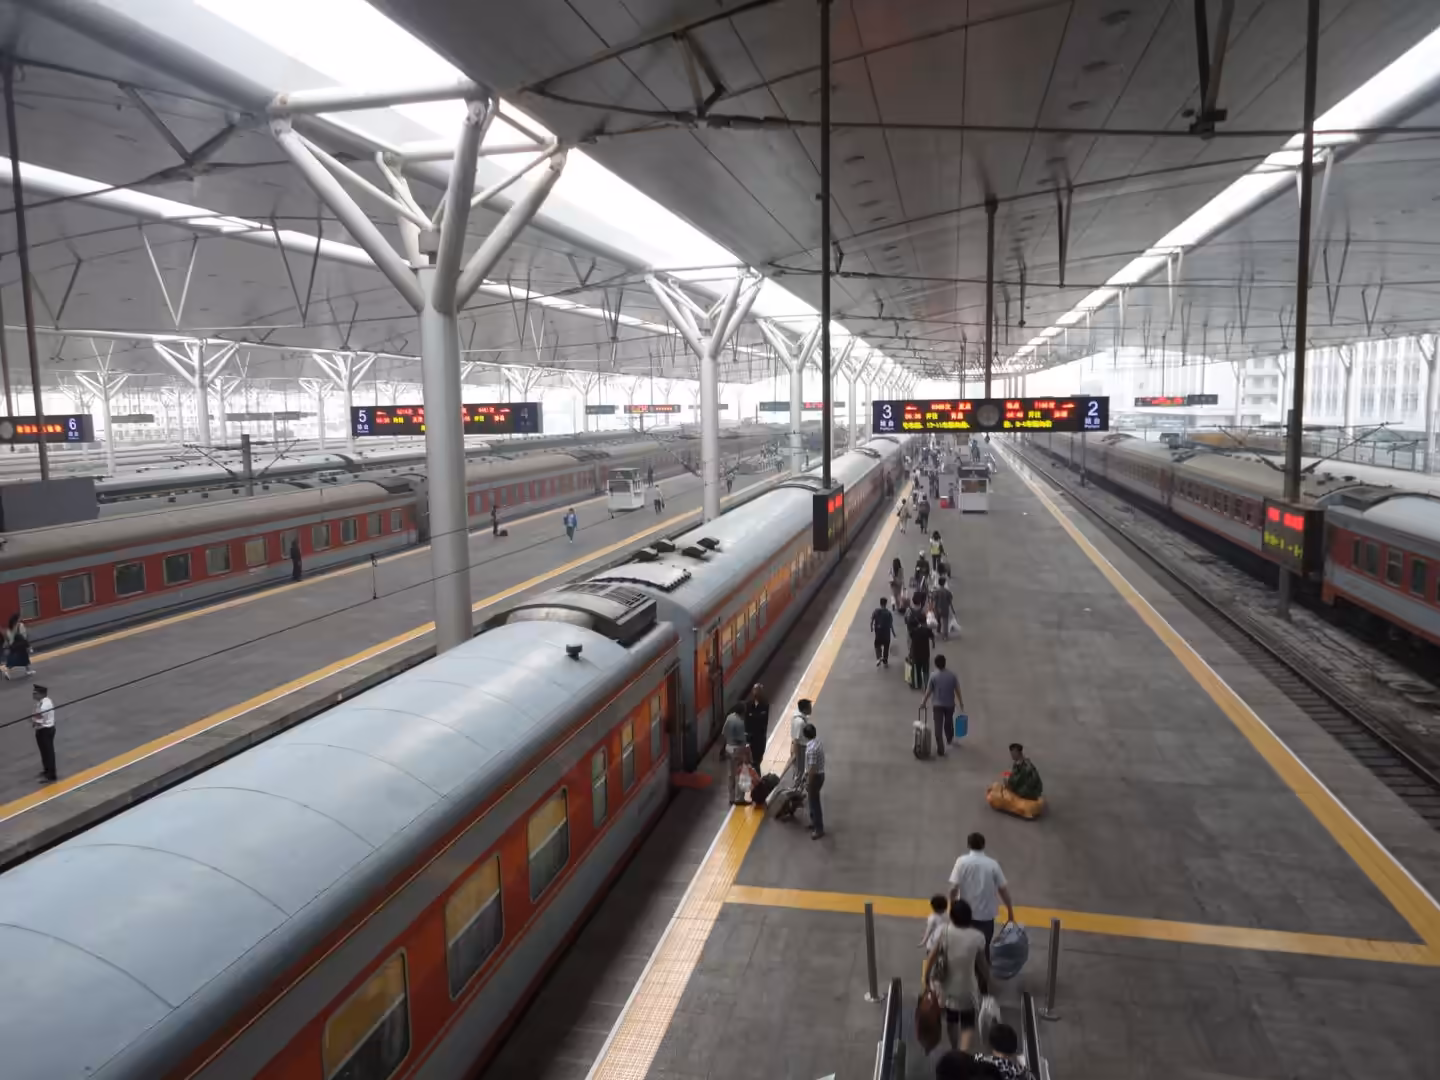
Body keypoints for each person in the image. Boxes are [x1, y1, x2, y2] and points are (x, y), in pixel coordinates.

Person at [923, 898, 991, 1053]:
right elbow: (983, 966)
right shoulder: (978, 937)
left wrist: (927, 977)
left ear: (952, 917)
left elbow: (931, 957)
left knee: (951, 1020)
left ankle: (954, 1049)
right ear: (969, 917)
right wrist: (987, 983)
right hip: (969, 988)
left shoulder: (945, 932)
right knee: (968, 1023)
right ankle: (963, 1053)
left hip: (948, 989)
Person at [949, 833, 1015, 956]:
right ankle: (983, 972)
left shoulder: (961, 862)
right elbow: (1003, 891)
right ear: (984, 845)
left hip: (964, 915)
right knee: (984, 949)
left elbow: (953, 888)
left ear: (968, 845)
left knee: (965, 949)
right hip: (986, 916)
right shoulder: (993, 864)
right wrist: (1010, 913)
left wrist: (952, 907)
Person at [922, 654, 963, 753]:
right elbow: (957, 689)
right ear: (945, 663)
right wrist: (961, 702)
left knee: (938, 727)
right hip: (949, 705)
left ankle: (940, 747)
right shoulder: (952, 675)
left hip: (937, 705)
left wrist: (923, 702)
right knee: (948, 723)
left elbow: (929, 691)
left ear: (936, 664)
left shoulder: (933, 675)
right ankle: (949, 738)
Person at [722, 706, 750, 805]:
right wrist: (746, 753)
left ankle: (731, 797)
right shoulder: (740, 722)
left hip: (728, 747)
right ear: (742, 712)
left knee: (730, 774)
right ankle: (739, 798)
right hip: (737, 750)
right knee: (740, 774)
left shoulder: (730, 717)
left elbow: (724, 733)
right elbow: (741, 740)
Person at [802, 722, 825, 839]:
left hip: (815, 777)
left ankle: (819, 829)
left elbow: (812, 768)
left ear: (805, 736)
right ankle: (814, 822)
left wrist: (808, 781)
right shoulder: (817, 743)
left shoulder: (811, 749)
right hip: (820, 775)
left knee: (815, 803)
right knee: (812, 801)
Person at [32, 684, 56, 783]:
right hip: (44, 729)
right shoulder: (43, 701)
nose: (33, 695)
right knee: (45, 752)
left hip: (45, 730)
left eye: (35, 693)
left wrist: (33, 722)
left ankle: (51, 775)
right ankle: (47, 770)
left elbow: (40, 719)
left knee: (48, 753)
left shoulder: (44, 705)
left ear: (41, 694)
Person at [788, 698, 813, 786]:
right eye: (809, 707)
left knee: (799, 769)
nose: (811, 709)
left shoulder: (799, 716)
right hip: (799, 748)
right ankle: (795, 789)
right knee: (799, 770)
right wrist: (796, 755)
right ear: (804, 709)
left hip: (799, 746)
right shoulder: (800, 722)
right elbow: (796, 740)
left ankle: (797, 787)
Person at [744, 684, 770, 767]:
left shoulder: (765, 705)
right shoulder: (748, 704)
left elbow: (763, 720)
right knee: (749, 762)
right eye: (755, 690)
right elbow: (747, 721)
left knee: (757, 761)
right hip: (749, 738)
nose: (756, 693)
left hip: (759, 739)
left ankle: (757, 777)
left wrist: (753, 716)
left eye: (758, 691)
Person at [909, 609, 934, 691]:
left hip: (916, 653)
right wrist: (933, 644)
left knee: (917, 669)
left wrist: (910, 653)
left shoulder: (913, 631)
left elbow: (912, 642)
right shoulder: (927, 630)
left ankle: (917, 684)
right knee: (926, 670)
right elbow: (932, 637)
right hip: (925, 653)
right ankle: (927, 685)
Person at [4, 613, 35, 679]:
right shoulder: (20, 625)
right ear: (17, 619)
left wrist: (10, 645)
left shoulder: (10, 626)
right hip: (20, 644)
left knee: (18, 658)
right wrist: (27, 644)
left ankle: (27, 670)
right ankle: (9, 672)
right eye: (19, 617)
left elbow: (9, 637)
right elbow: (23, 636)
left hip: (13, 645)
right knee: (22, 657)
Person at [870, 596, 895, 667]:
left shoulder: (876, 611)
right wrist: (894, 633)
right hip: (886, 633)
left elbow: (872, 620)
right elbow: (891, 624)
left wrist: (871, 628)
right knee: (886, 647)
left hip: (878, 633)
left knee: (877, 645)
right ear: (886, 604)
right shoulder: (889, 613)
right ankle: (885, 660)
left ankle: (879, 657)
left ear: (880, 603)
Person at [933, 575, 955, 641]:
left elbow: (934, 599)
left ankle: (938, 631)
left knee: (938, 620)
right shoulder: (947, 592)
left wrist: (934, 608)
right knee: (945, 622)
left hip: (937, 608)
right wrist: (952, 608)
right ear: (944, 583)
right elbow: (950, 600)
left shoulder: (936, 591)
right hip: (945, 608)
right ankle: (945, 636)